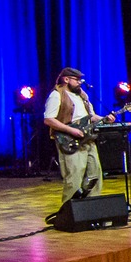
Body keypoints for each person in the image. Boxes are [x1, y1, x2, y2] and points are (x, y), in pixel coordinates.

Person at [43, 67, 118, 205]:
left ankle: (91, 210)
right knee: (74, 178)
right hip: (70, 141)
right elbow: (48, 119)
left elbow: (91, 116)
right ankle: (69, 213)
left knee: (94, 175)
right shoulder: (57, 95)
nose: (80, 83)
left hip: (88, 139)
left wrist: (105, 119)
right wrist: (71, 131)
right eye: (76, 80)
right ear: (66, 79)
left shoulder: (82, 95)